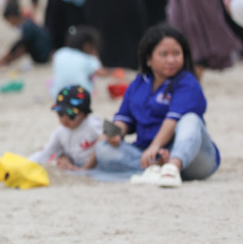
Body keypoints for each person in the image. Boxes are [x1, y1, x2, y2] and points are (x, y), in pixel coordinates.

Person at [93, 24, 221, 187]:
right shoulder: (138, 83)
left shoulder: (188, 82)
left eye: (176, 53)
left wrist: (155, 147)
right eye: (164, 54)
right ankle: (155, 167)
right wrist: (112, 135)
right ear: (149, 59)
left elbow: (172, 120)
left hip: (193, 157)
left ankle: (171, 168)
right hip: (149, 153)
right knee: (102, 148)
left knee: (191, 119)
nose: (171, 60)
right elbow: (123, 118)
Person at [28, 85, 101, 172]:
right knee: (61, 160)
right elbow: (47, 152)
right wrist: (27, 162)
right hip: (77, 165)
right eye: (61, 113)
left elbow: (110, 137)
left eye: (71, 115)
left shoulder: (92, 125)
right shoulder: (60, 132)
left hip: (98, 166)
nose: (64, 119)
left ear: (84, 114)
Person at [0, 0, 52, 67]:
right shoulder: (26, 23)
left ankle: (1, 61)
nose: (9, 24)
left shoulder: (26, 26)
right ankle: (2, 61)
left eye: (8, 20)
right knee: (21, 45)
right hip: (43, 51)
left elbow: (21, 44)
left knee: (21, 46)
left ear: (13, 17)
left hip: (42, 56)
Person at [51, 26, 106, 93]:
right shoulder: (89, 58)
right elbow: (101, 73)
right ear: (87, 45)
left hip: (59, 93)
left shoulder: (60, 53)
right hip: (81, 93)